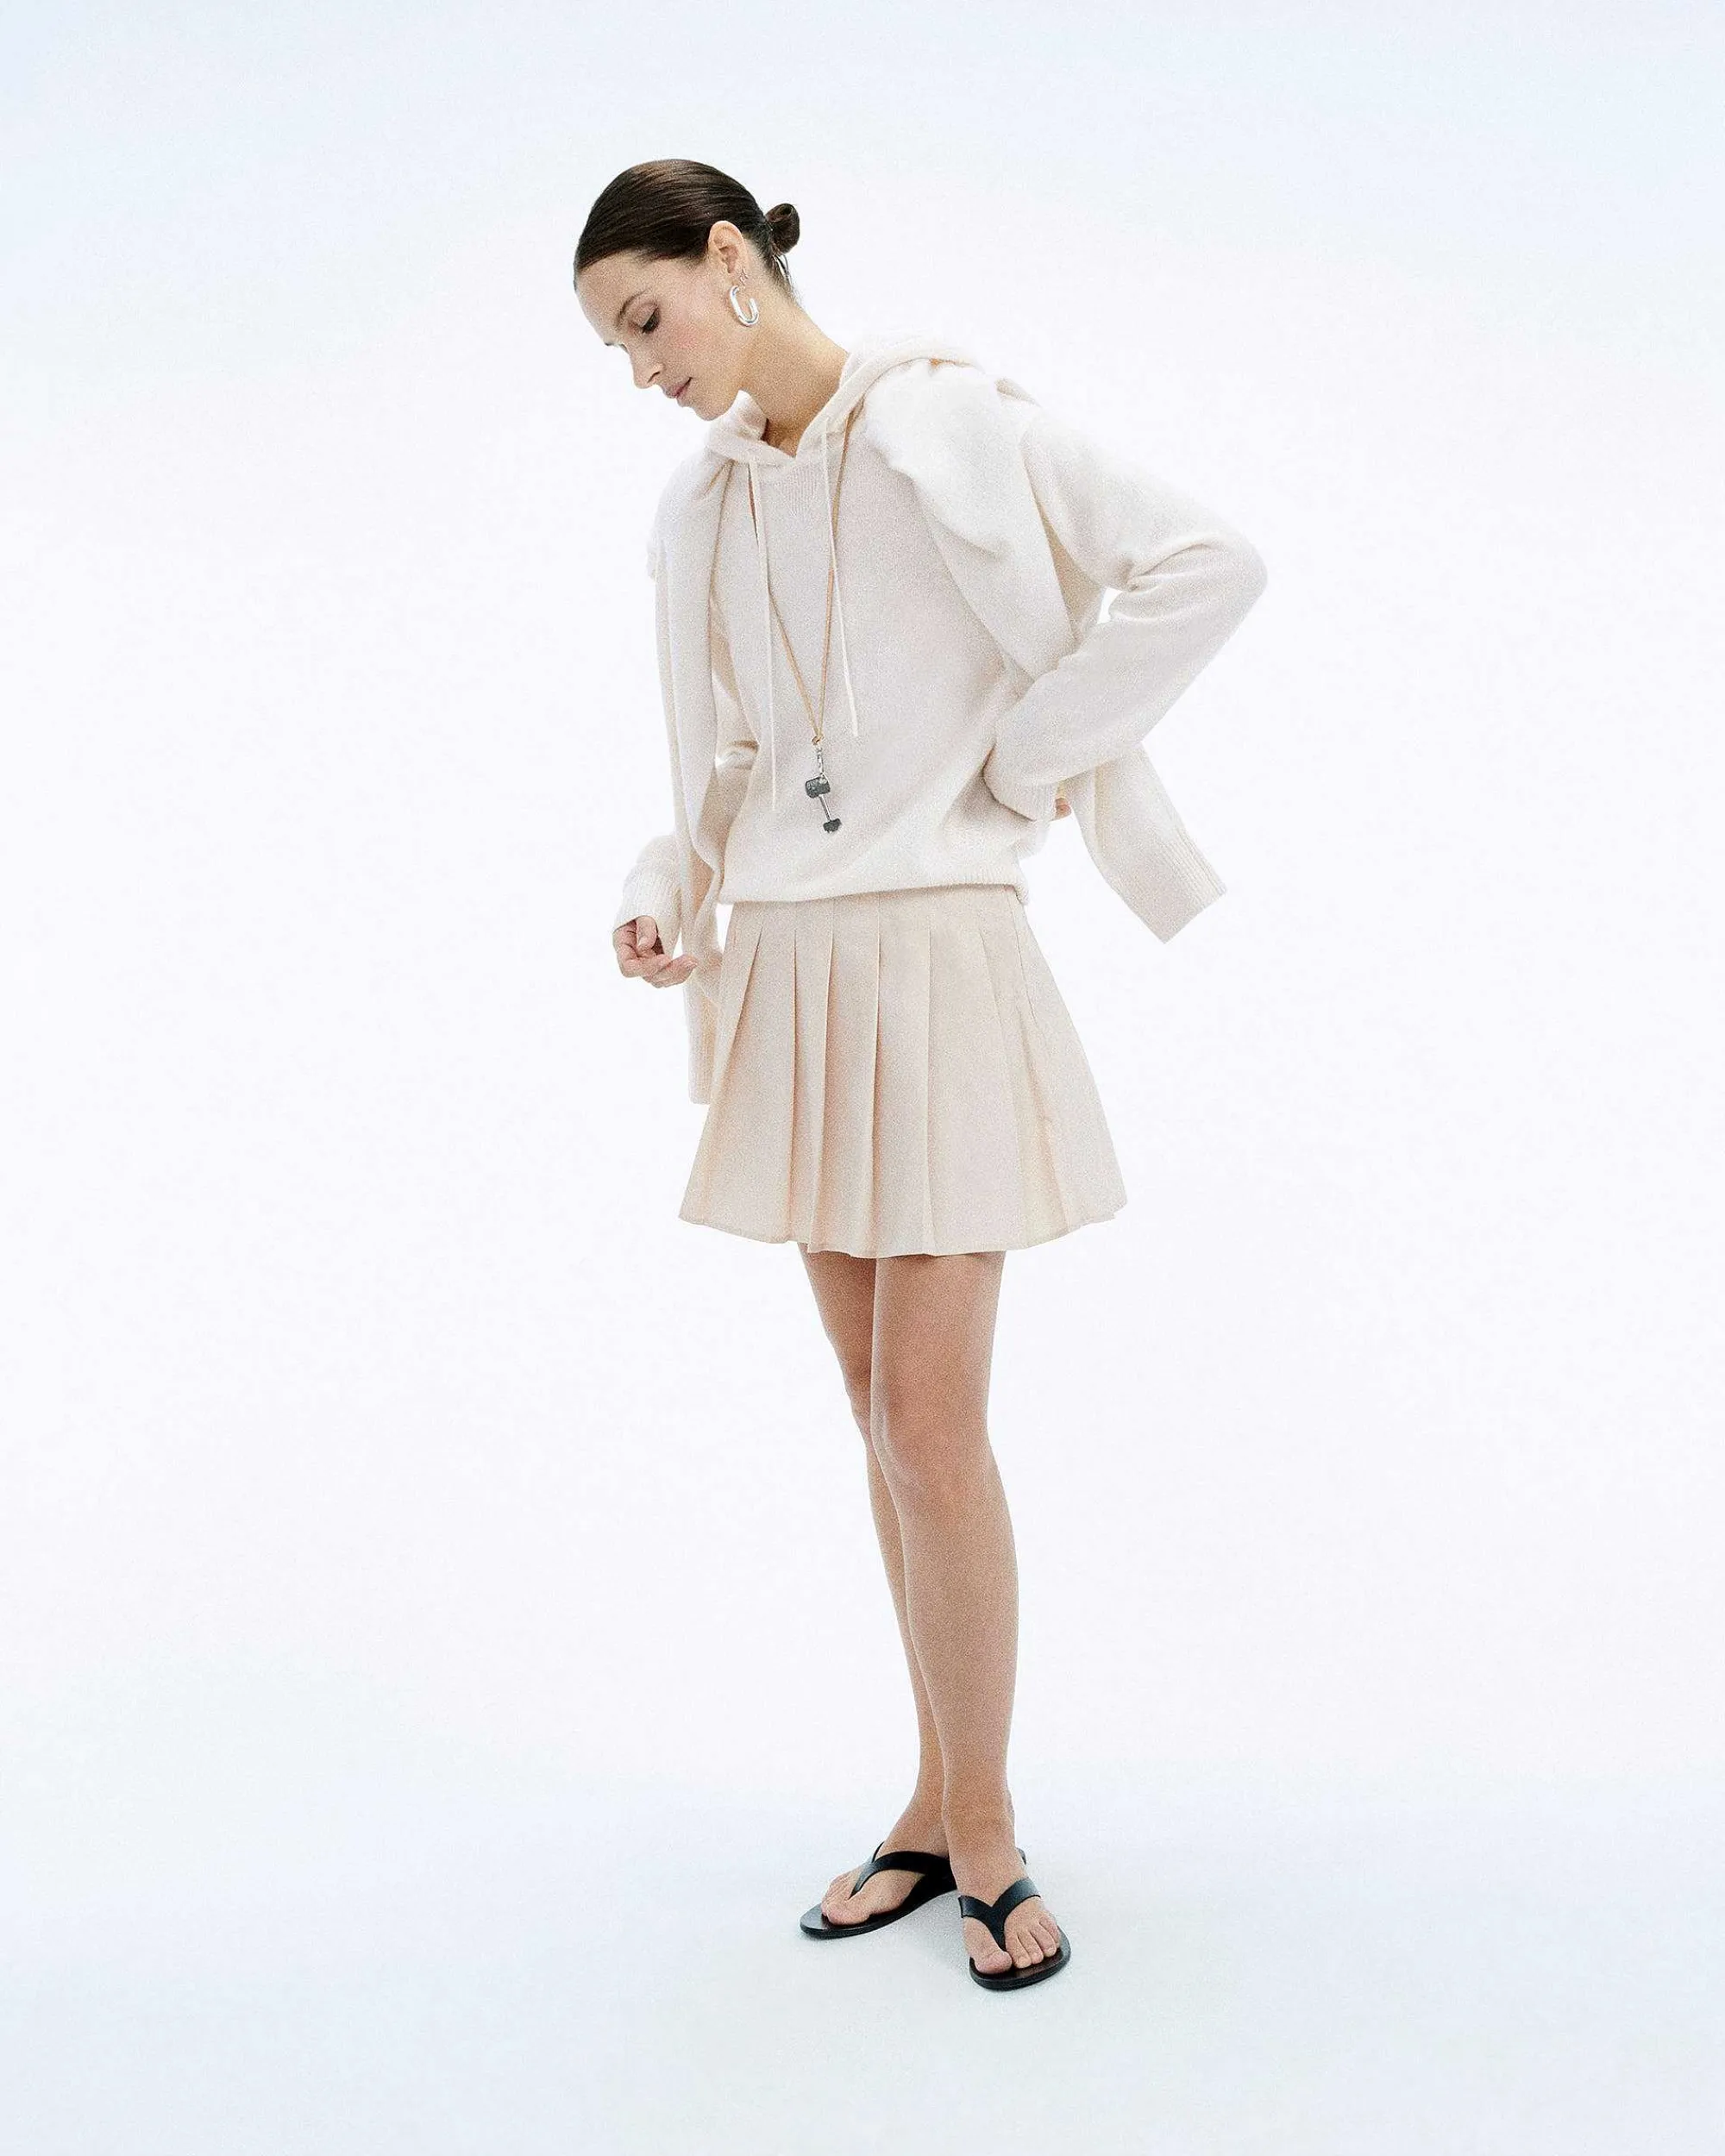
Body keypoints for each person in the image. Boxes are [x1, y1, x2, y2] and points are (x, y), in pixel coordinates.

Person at [574, 159, 1266, 1990]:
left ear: (729, 259)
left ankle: (987, 1831)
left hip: (942, 961)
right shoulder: (702, 509)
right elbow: (729, 756)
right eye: (614, 346)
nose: (639, 368)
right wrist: (666, 889)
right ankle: (932, 1797)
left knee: (928, 1428)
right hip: (792, 976)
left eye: (645, 318)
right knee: (879, 1422)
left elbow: (1208, 563)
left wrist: (1030, 758)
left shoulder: (947, 424)